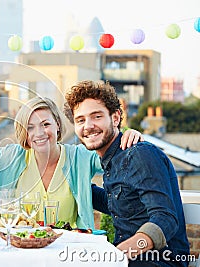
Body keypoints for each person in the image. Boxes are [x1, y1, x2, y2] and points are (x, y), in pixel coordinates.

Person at [64, 80, 190, 266]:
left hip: (159, 260)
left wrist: (117, 254)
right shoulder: (112, 159)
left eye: (96, 116)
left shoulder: (138, 154)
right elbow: (121, 205)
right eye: (80, 120)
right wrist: (74, 184)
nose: (88, 126)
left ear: (115, 118)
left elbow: (165, 219)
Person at [0, 96, 142, 229]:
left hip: (67, 250)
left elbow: (116, 151)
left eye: (45, 124)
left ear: (57, 125)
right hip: (19, 251)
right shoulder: (10, 157)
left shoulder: (80, 157)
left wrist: (128, 134)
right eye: (30, 127)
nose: (39, 133)